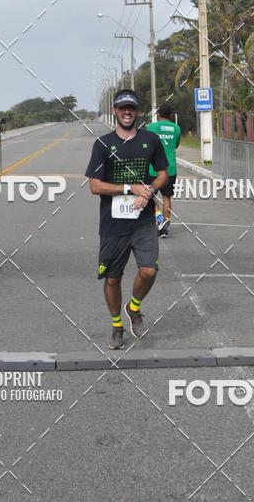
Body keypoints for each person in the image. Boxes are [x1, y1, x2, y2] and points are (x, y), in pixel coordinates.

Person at [85, 89, 168, 350]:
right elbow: (95, 186)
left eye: (131, 107)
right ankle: (117, 325)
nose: (127, 112)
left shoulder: (150, 140)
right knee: (112, 278)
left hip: (142, 221)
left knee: (149, 270)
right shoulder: (102, 144)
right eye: (122, 108)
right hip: (113, 224)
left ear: (137, 110)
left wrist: (151, 191)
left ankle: (133, 307)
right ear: (115, 111)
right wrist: (129, 188)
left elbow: (163, 174)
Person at [146, 104, 181, 237]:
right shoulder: (176, 128)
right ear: (171, 115)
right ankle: (165, 228)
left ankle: (159, 218)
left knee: (151, 196)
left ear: (158, 115)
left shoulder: (151, 127)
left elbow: (147, 145)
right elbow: (176, 145)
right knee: (166, 197)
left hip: (153, 169)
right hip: (170, 168)